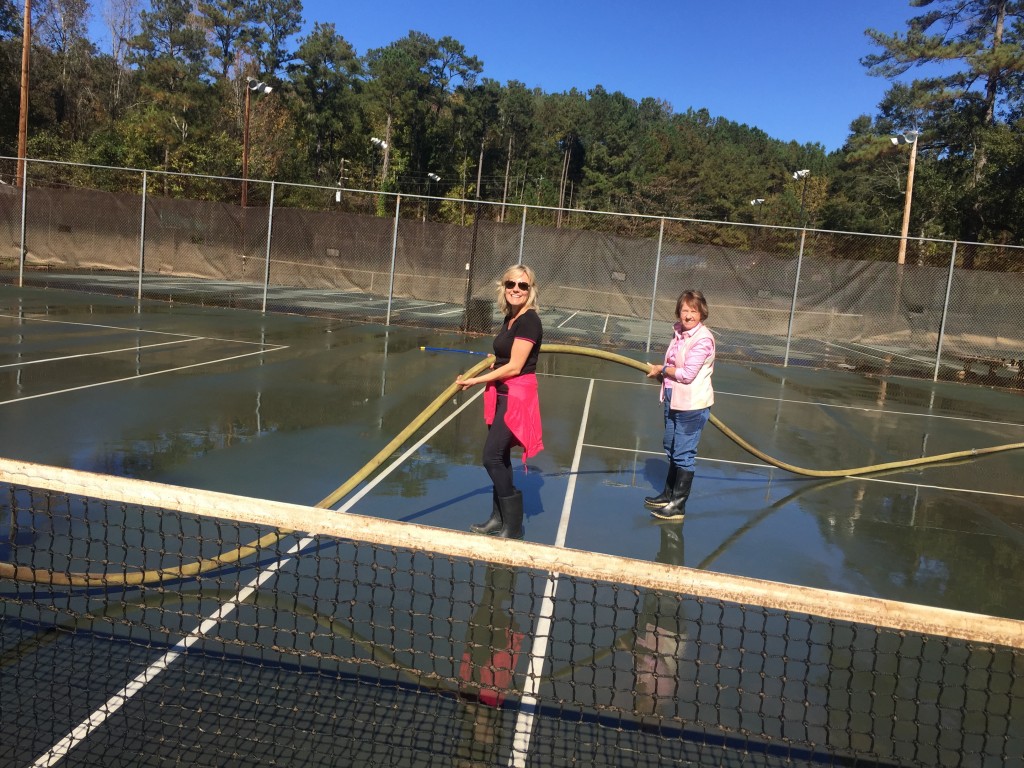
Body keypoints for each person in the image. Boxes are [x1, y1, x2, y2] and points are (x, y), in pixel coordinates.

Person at [456, 265, 543, 539]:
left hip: (516, 396)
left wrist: (475, 381)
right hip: (501, 394)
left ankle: (513, 526)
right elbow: (504, 357)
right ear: (503, 287)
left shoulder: (529, 320)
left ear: (531, 290)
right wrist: (488, 368)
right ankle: (498, 519)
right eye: (511, 284)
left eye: (522, 285)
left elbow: (516, 366)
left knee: (491, 457)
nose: (516, 289)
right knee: (501, 457)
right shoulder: (510, 318)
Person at [644, 289, 715, 520]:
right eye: (684, 310)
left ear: (701, 312)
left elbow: (687, 374)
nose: (687, 315)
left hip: (692, 405)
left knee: (684, 454)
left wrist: (662, 369)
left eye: (692, 311)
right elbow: (675, 367)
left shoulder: (703, 339)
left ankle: (678, 506)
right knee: (672, 447)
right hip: (673, 399)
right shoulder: (680, 333)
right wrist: (663, 375)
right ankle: (668, 494)